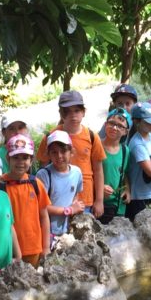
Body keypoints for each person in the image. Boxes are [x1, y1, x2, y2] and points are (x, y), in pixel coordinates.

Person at [35, 91, 106, 219]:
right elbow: (43, 169)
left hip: (85, 199)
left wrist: (99, 200)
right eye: (67, 111)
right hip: (56, 200)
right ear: (61, 114)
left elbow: (98, 169)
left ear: (83, 112)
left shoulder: (91, 136)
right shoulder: (50, 137)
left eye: (77, 110)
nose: (73, 116)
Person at [2, 135, 50, 265]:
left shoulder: (36, 183)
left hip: (33, 248)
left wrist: (46, 247)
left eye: (25, 157)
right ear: (8, 158)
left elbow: (44, 216)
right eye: (16, 157)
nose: (20, 162)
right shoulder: (0, 185)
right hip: (8, 250)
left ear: (31, 159)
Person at [36, 130, 85, 239]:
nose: (59, 156)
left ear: (71, 152)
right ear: (48, 154)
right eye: (54, 152)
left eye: (63, 151)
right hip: (47, 231)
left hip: (68, 230)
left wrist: (76, 207)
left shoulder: (76, 172)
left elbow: (75, 195)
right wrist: (68, 210)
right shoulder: (44, 175)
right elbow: (40, 206)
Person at [99, 108, 131, 222]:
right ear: (105, 124)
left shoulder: (125, 150)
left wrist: (127, 189)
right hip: (99, 203)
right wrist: (99, 187)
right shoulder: (97, 146)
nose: (114, 128)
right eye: (111, 123)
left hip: (117, 206)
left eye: (120, 126)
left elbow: (125, 172)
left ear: (125, 131)